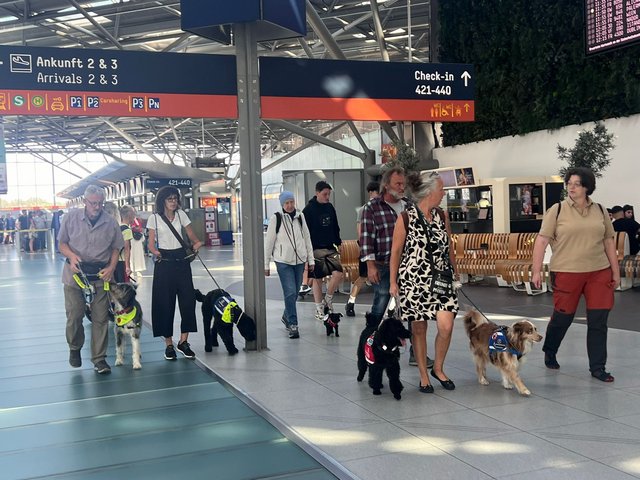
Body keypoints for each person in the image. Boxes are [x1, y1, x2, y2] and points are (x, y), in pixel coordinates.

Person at [531, 167, 619, 383]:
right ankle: (550, 349)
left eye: (576, 183)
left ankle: (598, 368)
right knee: (563, 317)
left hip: (599, 272)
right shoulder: (557, 210)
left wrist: (615, 271)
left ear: (587, 187)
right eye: (569, 183)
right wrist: (535, 270)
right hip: (567, 271)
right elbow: (542, 241)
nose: (571, 186)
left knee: (598, 321)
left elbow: (609, 241)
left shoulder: (599, 210)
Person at [389, 172, 458, 393]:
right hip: (414, 280)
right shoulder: (406, 218)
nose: (443, 194)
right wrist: (393, 282)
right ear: (429, 191)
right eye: (441, 190)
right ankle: (423, 375)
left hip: (441, 278)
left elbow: (449, 246)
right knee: (419, 328)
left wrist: (456, 272)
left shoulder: (441, 215)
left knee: (446, 325)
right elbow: (396, 252)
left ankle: (438, 368)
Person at [58, 185, 123, 374]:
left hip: (100, 275)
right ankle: (75, 347)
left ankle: (99, 359)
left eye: (100, 203)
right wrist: (71, 256)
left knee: (101, 318)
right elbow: (62, 243)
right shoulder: (71, 218)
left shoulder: (110, 222)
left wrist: (111, 267)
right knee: (75, 315)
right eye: (93, 203)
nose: (97, 207)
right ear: (84, 202)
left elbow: (115, 248)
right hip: (75, 274)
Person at [147, 186, 203, 361]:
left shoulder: (181, 215)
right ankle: (168, 344)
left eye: (175, 199)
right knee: (165, 303)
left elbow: (193, 237)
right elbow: (150, 244)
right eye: (169, 199)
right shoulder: (154, 218)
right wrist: (155, 252)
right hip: (164, 261)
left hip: (181, 260)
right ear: (162, 200)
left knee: (187, 300)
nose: (173, 202)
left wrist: (196, 244)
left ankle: (183, 342)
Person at [264, 191, 315, 339]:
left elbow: (307, 238)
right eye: (287, 203)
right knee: (291, 292)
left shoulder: (300, 217)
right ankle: (293, 324)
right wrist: (266, 264)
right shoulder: (276, 218)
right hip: (283, 261)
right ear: (282, 204)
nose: (290, 205)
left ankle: (286, 315)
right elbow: (269, 243)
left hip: (300, 261)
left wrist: (310, 260)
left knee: (294, 291)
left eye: (292, 202)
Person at [302, 181, 343, 320]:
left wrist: (338, 242)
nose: (327, 197)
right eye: (325, 194)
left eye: (329, 194)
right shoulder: (308, 210)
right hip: (315, 248)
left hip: (330, 247)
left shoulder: (330, 207)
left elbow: (335, 226)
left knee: (338, 273)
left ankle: (328, 299)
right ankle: (319, 308)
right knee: (317, 279)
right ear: (317, 193)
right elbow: (304, 232)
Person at [345, 181, 379, 317]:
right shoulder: (365, 209)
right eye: (376, 192)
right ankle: (351, 302)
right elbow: (360, 231)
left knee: (373, 278)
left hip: (375, 249)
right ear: (371, 193)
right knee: (364, 277)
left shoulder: (379, 208)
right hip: (370, 249)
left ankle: (351, 303)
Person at [126, 207, 147, 281]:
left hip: (137, 240)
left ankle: (138, 269)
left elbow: (140, 228)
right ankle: (131, 269)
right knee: (131, 255)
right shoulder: (127, 221)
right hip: (131, 239)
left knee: (138, 255)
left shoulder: (138, 220)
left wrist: (137, 229)